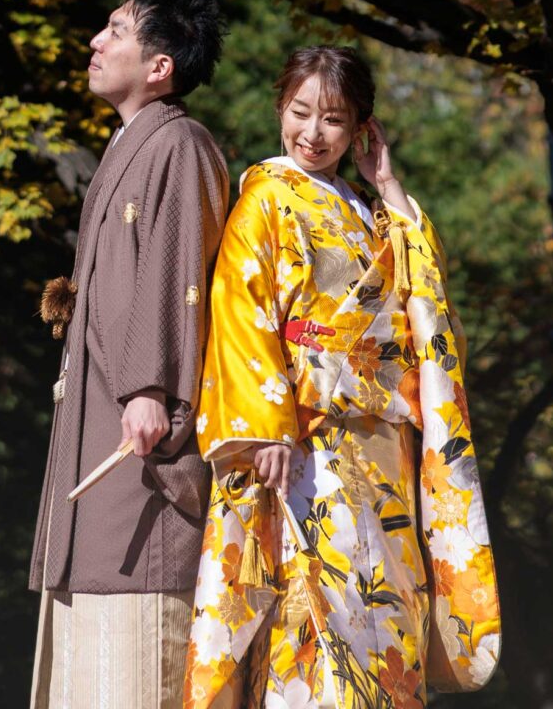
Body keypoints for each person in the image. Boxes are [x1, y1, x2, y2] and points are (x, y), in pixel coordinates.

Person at [184, 45, 500, 709]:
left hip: (381, 443)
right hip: (307, 437)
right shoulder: (265, 197)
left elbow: (426, 303)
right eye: (300, 112)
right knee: (317, 601)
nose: (312, 133)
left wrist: (387, 187)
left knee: (389, 608)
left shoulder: (367, 208)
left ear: (360, 127)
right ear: (280, 108)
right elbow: (241, 312)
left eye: (333, 118)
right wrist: (262, 428)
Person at [29, 0, 231, 709]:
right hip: (95, 451)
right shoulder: (131, 147)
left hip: (139, 451)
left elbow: (181, 273)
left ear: (159, 65)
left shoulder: (181, 145)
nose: (94, 41)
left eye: (114, 30)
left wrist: (152, 389)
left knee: (134, 666)